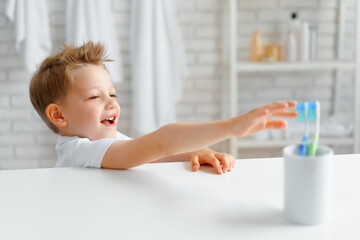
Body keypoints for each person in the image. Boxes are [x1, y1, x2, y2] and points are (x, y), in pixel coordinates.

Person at [29, 41, 297, 175]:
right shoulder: (79, 152)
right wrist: (229, 127)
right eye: (94, 97)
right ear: (58, 115)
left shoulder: (103, 143)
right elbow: (160, 144)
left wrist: (195, 152)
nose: (112, 103)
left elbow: (151, 153)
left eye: (112, 93)